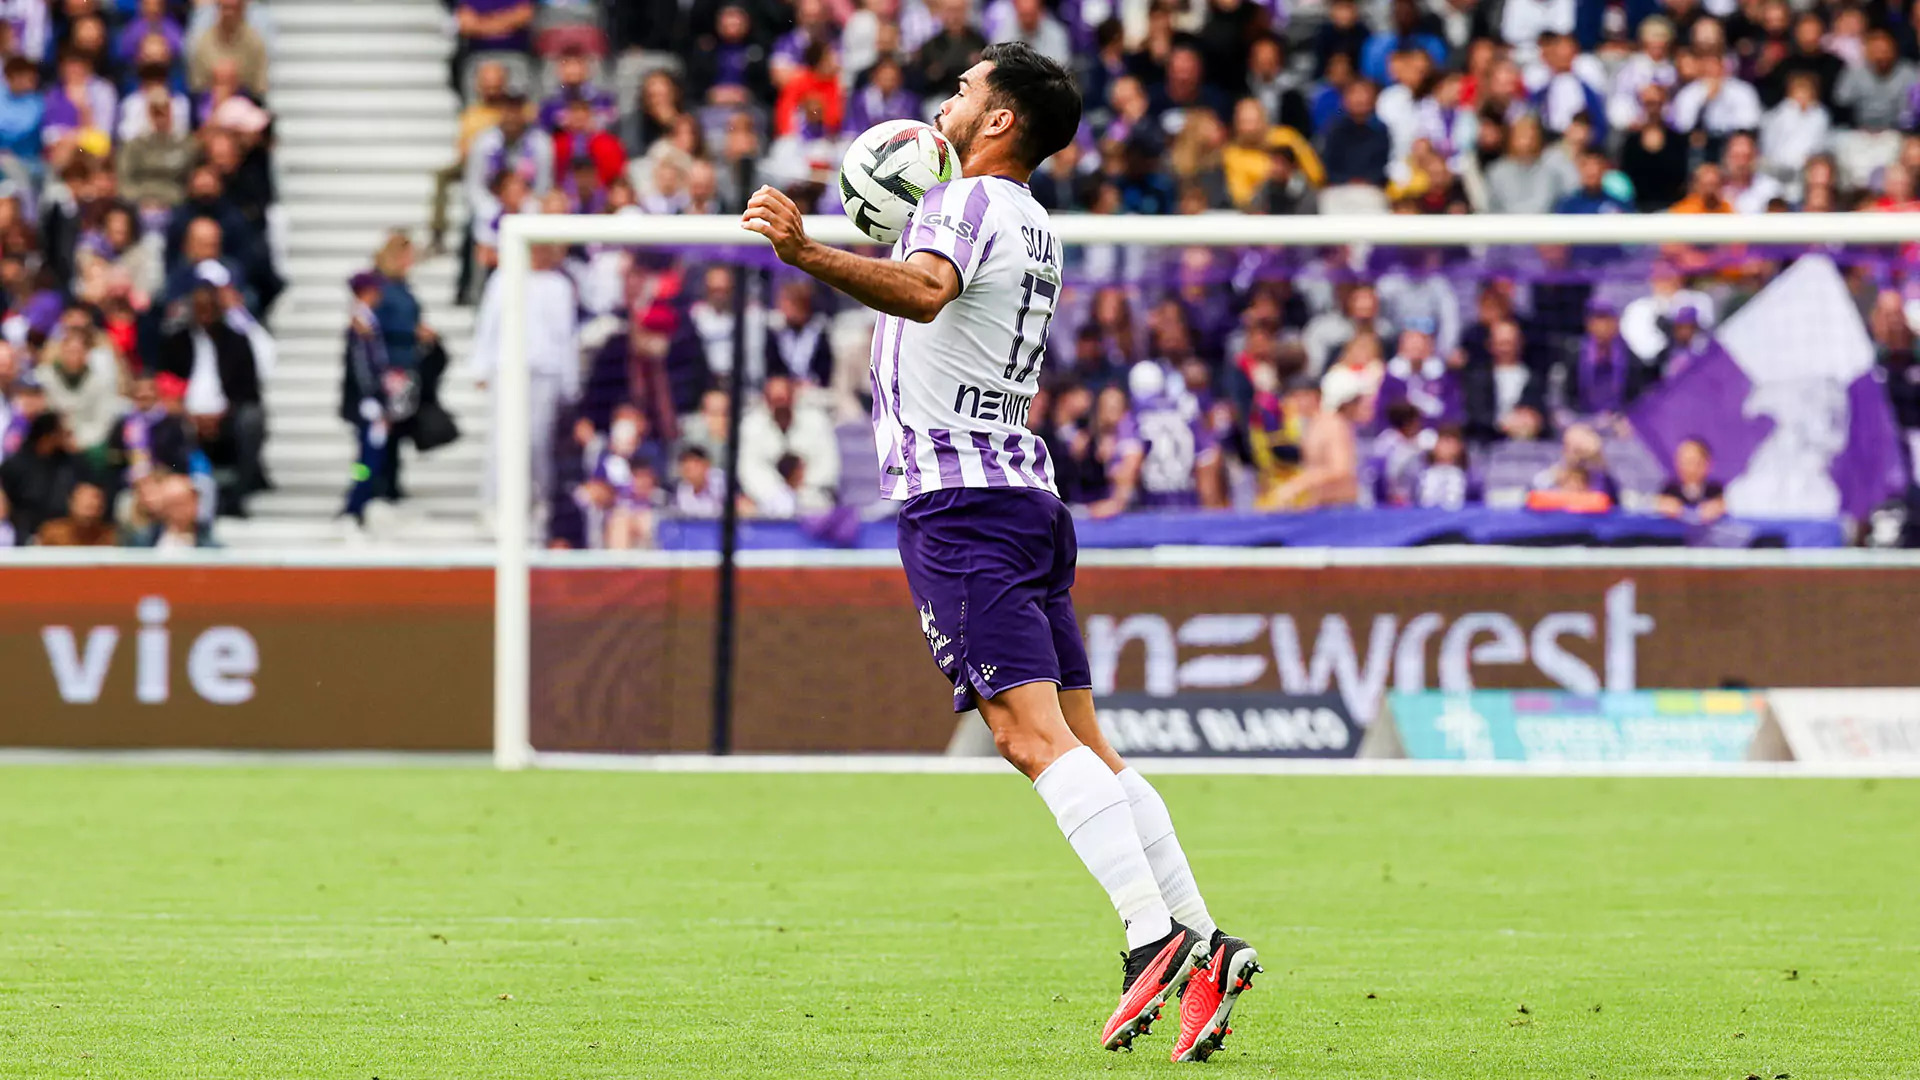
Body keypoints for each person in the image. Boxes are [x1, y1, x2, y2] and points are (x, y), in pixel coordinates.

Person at [738, 42, 1258, 1062]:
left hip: (962, 506)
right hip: (1024, 497)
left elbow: (927, 293)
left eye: (966, 88)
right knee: (1087, 746)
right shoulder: (1029, 220)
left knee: (1027, 741)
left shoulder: (965, 207)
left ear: (1002, 120)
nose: (949, 100)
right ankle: (1200, 939)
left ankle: (1150, 938)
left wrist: (806, 253)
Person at [1657, 436, 1727, 522]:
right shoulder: (1668, 489)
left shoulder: (1716, 491)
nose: (1686, 468)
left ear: (1707, 464)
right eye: (1682, 462)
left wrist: (1718, 507)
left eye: (1692, 461)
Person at [34, 480, 115, 545]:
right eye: (86, 505)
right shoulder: (52, 533)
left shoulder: (112, 537)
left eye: (96, 500)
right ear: (71, 503)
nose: (91, 503)